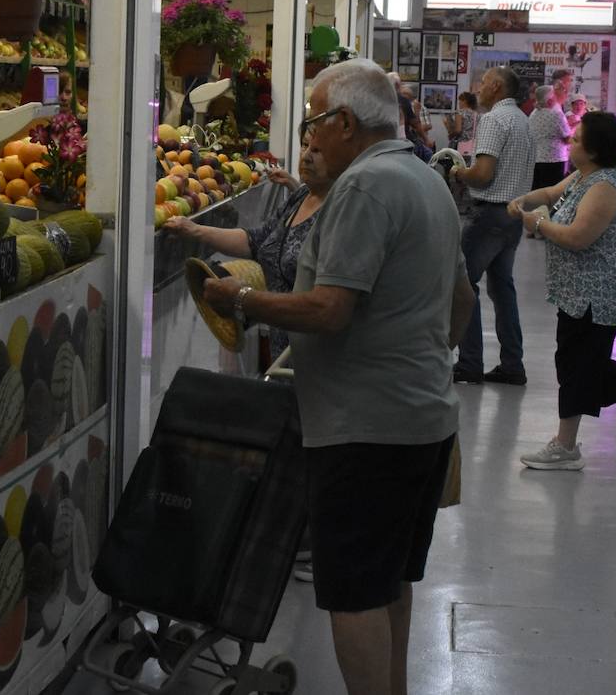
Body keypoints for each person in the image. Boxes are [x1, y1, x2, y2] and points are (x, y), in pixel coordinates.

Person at [201, 59, 475, 695]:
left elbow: (329, 309)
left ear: (345, 122)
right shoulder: (426, 179)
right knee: (390, 582)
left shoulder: (363, 187)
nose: (309, 141)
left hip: (364, 429)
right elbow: (462, 299)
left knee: (352, 593)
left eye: (312, 124)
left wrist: (239, 301)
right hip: (421, 418)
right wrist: (420, 355)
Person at [509, 112, 616, 469]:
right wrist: (524, 200)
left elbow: (579, 238)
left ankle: (565, 446)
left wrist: (538, 223)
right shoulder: (583, 177)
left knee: (577, 366)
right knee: (587, 363)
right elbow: (551, 193)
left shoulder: (603, 188)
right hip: (576, 291)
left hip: (596, 295)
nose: (570, 141)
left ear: (595, 150)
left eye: (577, 139)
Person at [162, 143, 331, 358]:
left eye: (318, 148)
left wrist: (243, 298)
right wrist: (194, 229)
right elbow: (255, 240)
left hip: (315, 356)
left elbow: (327, 306)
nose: (306, 156)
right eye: (305, 145)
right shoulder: (302, 197)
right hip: (283, 352)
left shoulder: (339, 210)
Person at [449, 66, 534, 385]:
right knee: (502, 288)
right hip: (514, 214)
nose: (478, 88)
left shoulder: (494, 120)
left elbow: (483, 174)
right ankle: (513, 363)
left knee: (462, 284)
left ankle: (469, 362)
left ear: (497, 87)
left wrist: (459, 172)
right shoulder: (523, 120)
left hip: (489, 213)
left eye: (483, 83)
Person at [528, 85, 571, 224]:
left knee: (538, 193)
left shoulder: (534, 114)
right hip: (554, 159)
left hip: (536, 159)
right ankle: (547, 225)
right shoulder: (556, 114)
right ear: (549, 99)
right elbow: (567, 137)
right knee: (552, 195)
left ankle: (534, 225)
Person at [445, 90, 479, 157]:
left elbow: (458, 130)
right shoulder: (476, 114)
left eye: (460, 101)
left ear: (465, 101)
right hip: (472, 146)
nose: (459, 103)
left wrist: (451, 134)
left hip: (459, 145)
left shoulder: (459, 113)